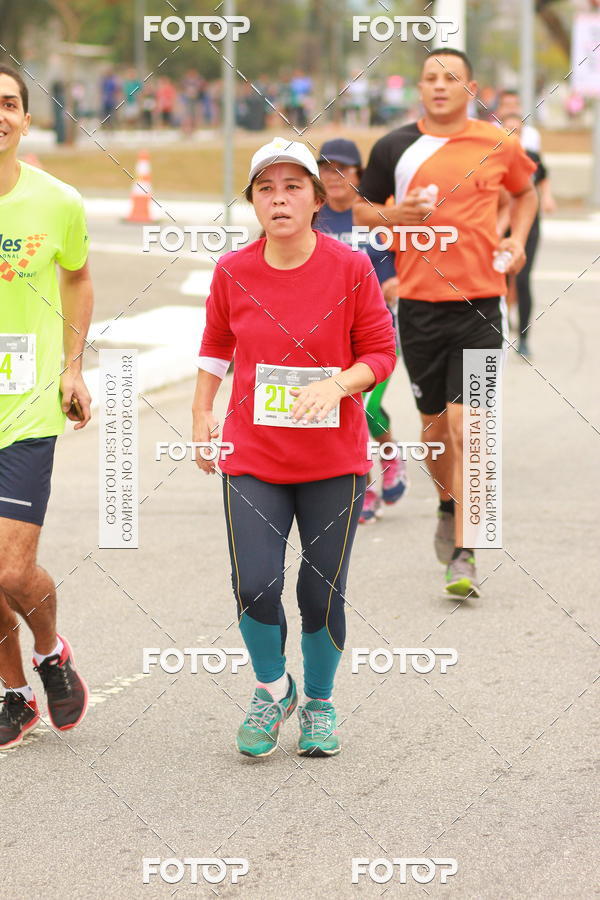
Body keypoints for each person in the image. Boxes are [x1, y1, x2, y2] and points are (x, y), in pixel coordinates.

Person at [192, 136, 396, 757]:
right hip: (253, 454)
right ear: (253, 203)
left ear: (314, 199)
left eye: (293, 188)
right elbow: (215, 344)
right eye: (265, 190)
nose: (279, 200)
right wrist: (202, 411)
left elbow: (379, 355)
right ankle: (271, 689)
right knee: (254, 583)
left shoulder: (350, 267)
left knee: (318, 590)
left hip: (333, 459)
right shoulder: (234, 271)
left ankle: (319, 704)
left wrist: (337, 385)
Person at [354, 48, 538, 600]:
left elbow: (524, 194)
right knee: (435, 432)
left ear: (471, 87)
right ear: (419, 88)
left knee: (469, 428)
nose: (439, 86)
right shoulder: (393, 146)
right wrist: (397, 216)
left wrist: (516, 241)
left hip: (481, 303)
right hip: (420, 307)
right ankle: (447, 504)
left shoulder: (498, 143)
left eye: (450, 78)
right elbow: (360, 211)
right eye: (430, 78)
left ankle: (467, 549)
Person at [0, 65, 93, 749]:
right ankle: (13, 694)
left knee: (8, 567)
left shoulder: (57, 201)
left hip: (26, 404)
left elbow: (80, 276)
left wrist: (74, 366)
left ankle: (51, 650)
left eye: (8, 104)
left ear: (28, 119)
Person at [314, 137, 407, 523]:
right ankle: (380, 464)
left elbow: (399, 269)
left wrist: (395, 284)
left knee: (367, 409)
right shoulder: (314, 217)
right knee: (352, 410)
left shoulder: (373, 217)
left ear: (358, 174)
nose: (333, 177)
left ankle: (370, 483)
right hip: (328, 336)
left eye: (343, 168)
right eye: (325, 168)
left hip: (376, 334)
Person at [499, 113, 555, 358]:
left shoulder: (531, 158)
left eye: (517, 131)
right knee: (498, 281)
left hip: (527, 228)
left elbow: (542, 181)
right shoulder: (491, 158)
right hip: (498, 227)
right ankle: (497, 330)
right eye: (508, 130)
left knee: (522, 281)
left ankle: (523, 338)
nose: (512, 135)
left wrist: (549, 198)